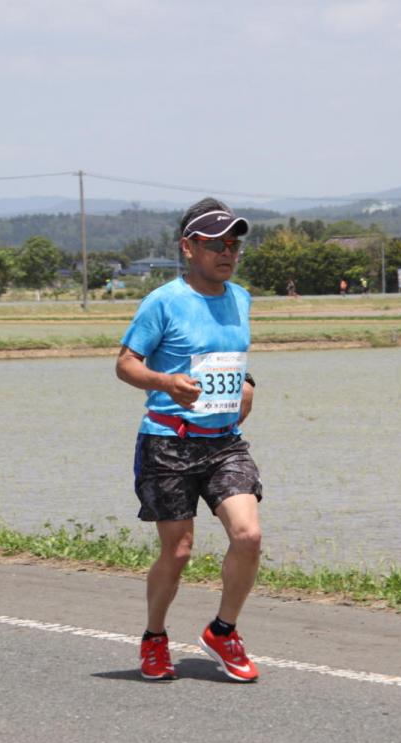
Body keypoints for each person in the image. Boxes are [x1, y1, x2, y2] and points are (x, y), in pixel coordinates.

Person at [115, 197, 262, 683]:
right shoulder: (163, 301)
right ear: (188, 247)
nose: (227, 252)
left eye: (234, 244)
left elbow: (232, 359)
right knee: (177, 553)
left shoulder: (240, 298)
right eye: (216, 243)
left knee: (249, 535)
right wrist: (165, 383)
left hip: (224, 441)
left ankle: (224, 630)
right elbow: (126, 364)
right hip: (169, 442)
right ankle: (154, 637)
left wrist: (248, 387)